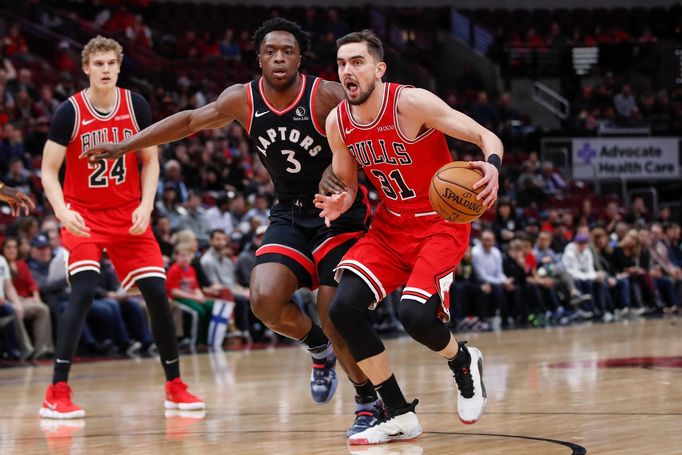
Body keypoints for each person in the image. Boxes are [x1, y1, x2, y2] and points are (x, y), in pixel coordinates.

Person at [81, 19, 379, 436]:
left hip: (338, 213)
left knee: (336, 315)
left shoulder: (325, 95)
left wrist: (338, 167)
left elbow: (366, 134)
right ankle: (316, 345)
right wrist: (124, 145)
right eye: (270, 51)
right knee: (263, 298)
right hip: (290, 211)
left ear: (300, 58)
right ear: (258, 58)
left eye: (287, 51)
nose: (279, 57)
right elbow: (187, 122)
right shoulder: (242, 99)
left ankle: (367, 399)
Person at [314, 30, 500, 445]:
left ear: (379, 69)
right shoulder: (338, 122)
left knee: (415, 316)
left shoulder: (410, 103)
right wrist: (340, 201)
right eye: (342, 63)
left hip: (440, 223)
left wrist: (491, 166)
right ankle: (398, 414)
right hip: (389, 226)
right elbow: (347, 182)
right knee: (344, 310)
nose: (348, 70)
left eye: (357, 62)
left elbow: (486, 136)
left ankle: (463, 360)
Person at [39, 36, 202, 419]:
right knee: (83, 290)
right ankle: (56, 390)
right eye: (99, 64)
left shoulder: (136, 105)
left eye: (112, 62)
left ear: (119, 65)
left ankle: (175, 386)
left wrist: (147, 205)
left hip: (129, 215)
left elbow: (151, 161)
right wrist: (62, 212)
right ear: (86, 67)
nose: (106, 69)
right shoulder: (70, 112)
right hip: (83, 216)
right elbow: (48, 170)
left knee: (158, 295)